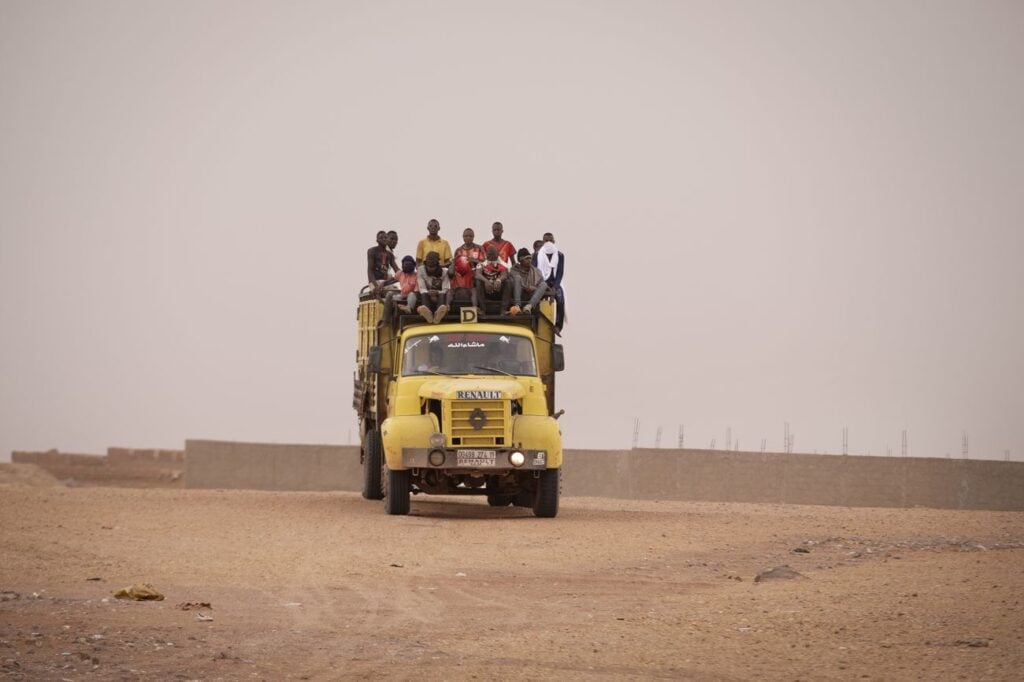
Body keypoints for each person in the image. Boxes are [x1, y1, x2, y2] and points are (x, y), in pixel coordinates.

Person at [537, 233, 565, 331]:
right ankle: (536, 321)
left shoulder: (560, 255)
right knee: (534, 297)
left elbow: (560, 273)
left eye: (550, 241)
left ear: (554, 242)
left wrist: (555, 287)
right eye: (546, 241)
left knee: (560, 298)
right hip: (540, 282)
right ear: (543, 242)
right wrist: (543, 285)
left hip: (554, 283)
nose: (548, 243)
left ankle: (558, 326)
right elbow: (535, 271)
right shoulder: (537, 255)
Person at [509, 247, 548, 315]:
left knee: (544, 284)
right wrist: (526, 287)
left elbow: (540, 285)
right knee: (517, 278)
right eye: (527, 258)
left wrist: (534, 288)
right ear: (521, 260)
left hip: (531, 295)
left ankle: (529, 306)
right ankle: (517, 306)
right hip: (518, 294)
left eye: (530, 258)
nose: (529, 260)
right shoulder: (514, 270)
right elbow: (513, 284)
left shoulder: (536, 271)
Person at [475, 245, 512, 314]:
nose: (491, 256)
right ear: (486, 254)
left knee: (507, 282)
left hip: (498, 290)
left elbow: (504, 274)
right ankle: (483, 310)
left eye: (493, 254)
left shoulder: (503, 264)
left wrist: (498, 280)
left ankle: (503, 310)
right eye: (489, 254)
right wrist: (486, 281)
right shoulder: (482, 264)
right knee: (478, 282)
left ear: (497, 254)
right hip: (486, 291)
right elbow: (477, 274)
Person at [416, 251, 451, 323]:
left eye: (433, 267)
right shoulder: (420, 270)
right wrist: (429, 292)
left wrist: (437, 292)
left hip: (439, 296)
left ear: (437, 264)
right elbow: (421, 287)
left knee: (442, 294)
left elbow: (446, 288)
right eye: (428, 267)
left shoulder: (444, 272)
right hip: (426, 295)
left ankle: (439, 314)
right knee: (423, 294)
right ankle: (427, 313)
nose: (430, 269)